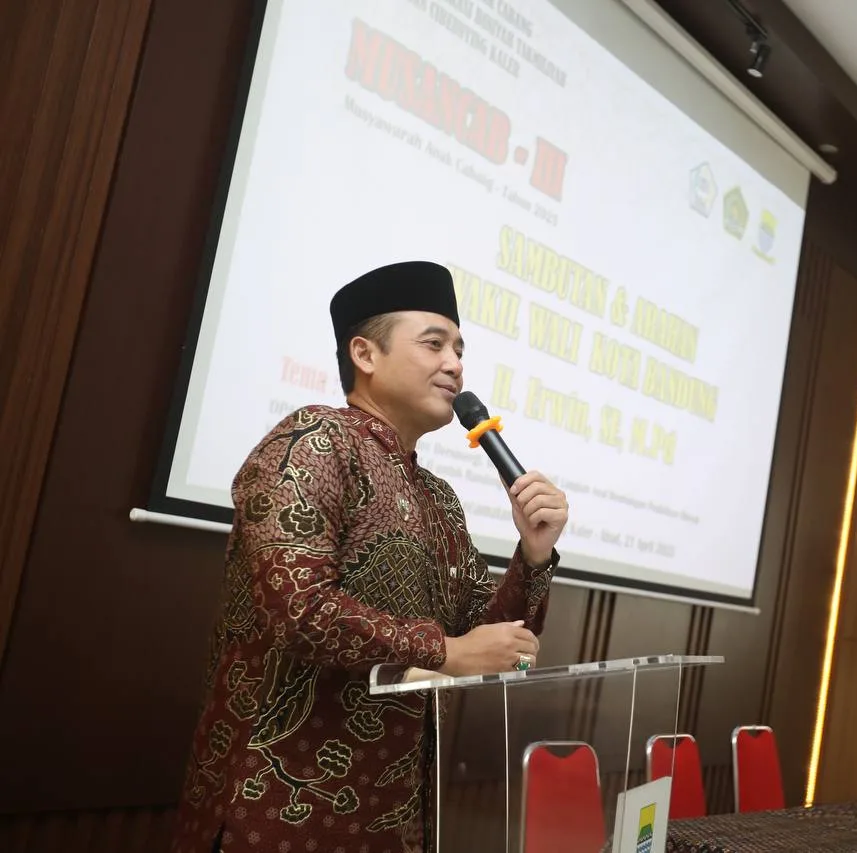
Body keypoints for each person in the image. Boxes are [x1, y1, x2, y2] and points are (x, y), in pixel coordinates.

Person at [171, 261, 567, 853]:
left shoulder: (438, 497)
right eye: (434, 344)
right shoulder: (312, 441)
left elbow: (486, 644)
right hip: (275, 810)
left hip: (394, 818)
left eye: (460, 349)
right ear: (365, 354)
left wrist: (533, 556)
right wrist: (445, 651)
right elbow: (297, 611)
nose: (455, 364)